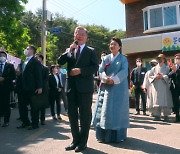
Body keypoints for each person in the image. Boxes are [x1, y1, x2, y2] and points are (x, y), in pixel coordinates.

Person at [58, 26, 98, 152]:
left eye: (82, 34)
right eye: (77, 33)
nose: (79, 36)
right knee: (72, 115)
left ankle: (83, 142)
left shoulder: (91, 51)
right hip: (71, 88)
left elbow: (94, 67)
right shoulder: (70, 50)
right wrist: (69, 50)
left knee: (85, 115)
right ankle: (75, 140)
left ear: (86, 37)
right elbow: (59, 61)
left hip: (85, 88)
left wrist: (81, 71)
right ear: (74, 35)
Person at [92, 37, 129, 143]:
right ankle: (102, 136)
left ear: (119, 47)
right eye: (111, 44)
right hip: (106, 88)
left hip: (118, 88)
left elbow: (124, 72)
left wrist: (113, 79)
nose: (112, 46)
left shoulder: (123, 59)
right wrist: (105, 79)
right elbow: (101, 70)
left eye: (115, 44)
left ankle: (118, 136)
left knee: (117, 112)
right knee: (103, 111)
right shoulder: (106, 58)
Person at [16, 45, 43, 130]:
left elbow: (38, 75)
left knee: (33, 106)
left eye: (27, 49)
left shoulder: (35, 62)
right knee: (22, 106)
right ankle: (25, 122)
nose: (26, 50)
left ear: (32, 51)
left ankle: (34, 123)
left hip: (32, 88)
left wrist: (39, 87)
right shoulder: (24, 62)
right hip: (22, 88)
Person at [149, 54, 173, 121]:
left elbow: (169, 76)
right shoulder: (153, 68)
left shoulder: (167, 68)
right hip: (156, 86)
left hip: (164, 86)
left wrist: (162, 76)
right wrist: (155, 77)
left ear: (164, 59)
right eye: (158, 58)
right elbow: (150, 76)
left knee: (165, 101)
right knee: (156, 100)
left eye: (160, 58)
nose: (159, 59)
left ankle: (166, 115)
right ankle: (157, 115)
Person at [0, 51, 16, 127]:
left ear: (6, 57)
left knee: (6, 105)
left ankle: (6, 121)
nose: (2, 57)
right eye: (0, 56)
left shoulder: (10, 66)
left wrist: (4, 79)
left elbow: (13, 77)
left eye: (3, 56)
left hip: (6, 88)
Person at [35, 53, 49, 125]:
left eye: (38, 57)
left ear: (41, 59)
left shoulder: (45, 68)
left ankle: (42, 119)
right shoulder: (33, 67)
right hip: (34, 89)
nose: (36, 59)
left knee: (42, 105)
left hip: (43, 89)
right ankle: (35, 120)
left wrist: (40, 87)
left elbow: (45, 79)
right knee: (35, 105)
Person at [168, 53, 180, 122]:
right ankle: (177, 117)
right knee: (176, 102)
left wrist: (176, 70)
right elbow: (169, 75)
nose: (177, 60)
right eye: (176, 58)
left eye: (178, 58)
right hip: (175, 88)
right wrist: (173, 70)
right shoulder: (172, 66)